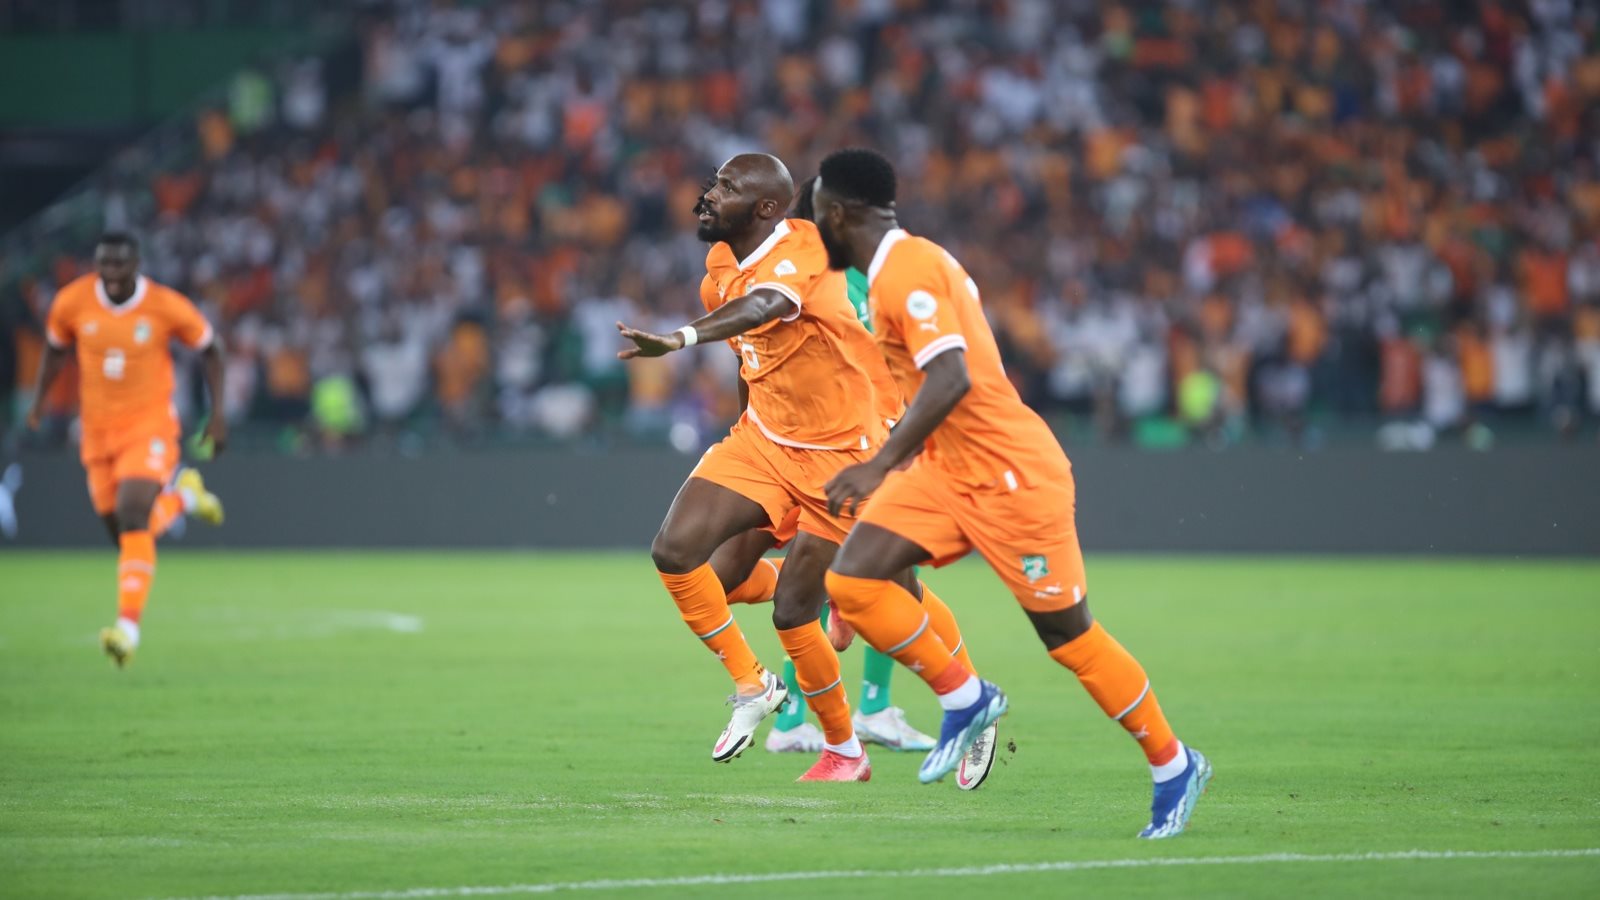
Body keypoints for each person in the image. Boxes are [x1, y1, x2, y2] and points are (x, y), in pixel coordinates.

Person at [810, 148, 1211, 837]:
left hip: (1011, 477)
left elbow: (951, 378)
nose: (814, 227)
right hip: (945, 471)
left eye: (817, 213)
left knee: (1068, 638)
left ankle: (1174, 766)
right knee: (851, 580)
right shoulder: (894, 271)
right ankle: (965, 697)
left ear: (840, 215)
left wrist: (878, 466)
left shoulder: (908, 272)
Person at [615, 154, 977, 784]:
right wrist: (744, 436)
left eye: (726, 187)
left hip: (848, 452)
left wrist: (679, 339)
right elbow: (748, 354)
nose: (709, 194)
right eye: (715, 181)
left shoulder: (817, 253)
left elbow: (766, 307)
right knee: (690, 562)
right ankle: (763, 690)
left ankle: (964, 704)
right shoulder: (720, 267)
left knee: (832, 603)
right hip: (767, 442)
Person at [27, 233, 227, 668]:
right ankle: (184, 498)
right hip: (96, 432)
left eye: (120, 264)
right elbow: (56, 350)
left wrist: (218, 415)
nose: (112, 273)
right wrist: (39, 402)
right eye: (105, 264)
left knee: (133, 513)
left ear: (137, 264)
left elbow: (210, 349)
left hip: (149, 425)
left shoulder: (165, 305)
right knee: (126, 534)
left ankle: (127, 630)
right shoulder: (72, 302)